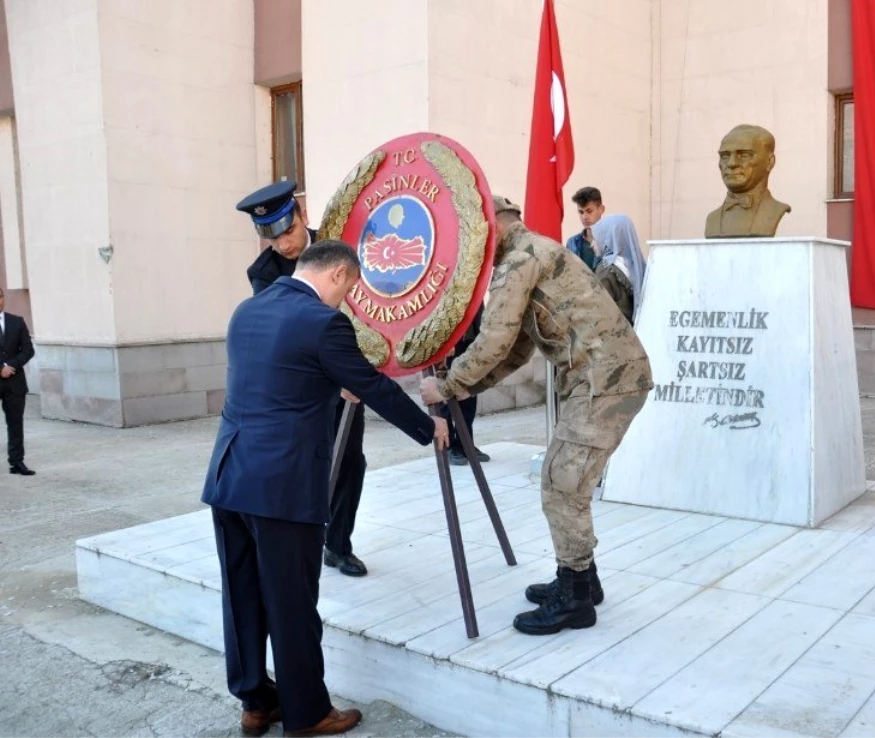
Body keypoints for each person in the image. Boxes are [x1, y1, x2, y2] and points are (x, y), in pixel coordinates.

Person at [202, 241, 449, 736]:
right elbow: (374, 386)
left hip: (229, 477)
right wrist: (429, 428)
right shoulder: (323, 322)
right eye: (350, 288)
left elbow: (277, 379)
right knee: (291, 601)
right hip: (282, 488)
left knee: (242, 597)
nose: (346, 300)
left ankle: (255, 701)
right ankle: (307, 711)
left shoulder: (248, 310)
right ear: (337, 274)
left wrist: (329, 382)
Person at [420, 196, 652, 636]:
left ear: (495, 228)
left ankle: (576, 599)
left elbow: (492, 342)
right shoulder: (536, 253)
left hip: (605, 381)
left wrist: (448, 385)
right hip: (603, 379)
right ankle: (583, 578)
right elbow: (518, 348)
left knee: (562, 485)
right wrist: (468, 384)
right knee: (567, 480)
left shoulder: (518, 261)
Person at [236, 181, 372, 578]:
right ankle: (304, 537)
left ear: (303, 217)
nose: (281, 245)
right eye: (271, 237)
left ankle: (339, 545)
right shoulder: (264, 273)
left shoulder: (340, 245)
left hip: (350, 373)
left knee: (349, 461)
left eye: (288, 231)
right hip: (304, 388)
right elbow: (291, 333)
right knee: (304, 463)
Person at [704, 124, 792, 238]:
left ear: (770, 162)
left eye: (744, 155)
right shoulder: (712, 219)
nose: (731, 163)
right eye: (725, 156)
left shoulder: (774, 211)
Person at [440, 310, 491, 467]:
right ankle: (449, 447)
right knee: (446, 399)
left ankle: (465, 443)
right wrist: (447, 341)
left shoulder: (472, 284)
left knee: (469, 398)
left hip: (470, 343)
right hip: (447, 344)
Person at [0, 287, 35, 476]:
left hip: (14, 382)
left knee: (15, 423)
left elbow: (28, 350)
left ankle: (17, 462)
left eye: (0, 297)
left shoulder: (16, 322)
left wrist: (11, 365)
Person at [589, 214, 648, 325]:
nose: (592, 244)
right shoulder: (639, 268)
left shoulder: (605, 270)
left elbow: (599, 314)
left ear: (608, 238)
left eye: (596, 238)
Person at [565, 186, 604, 270]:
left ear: (601, 209)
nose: (584, 217)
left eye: (589, 211)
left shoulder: (611, 242)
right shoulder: (572, 243)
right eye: (581, 212)